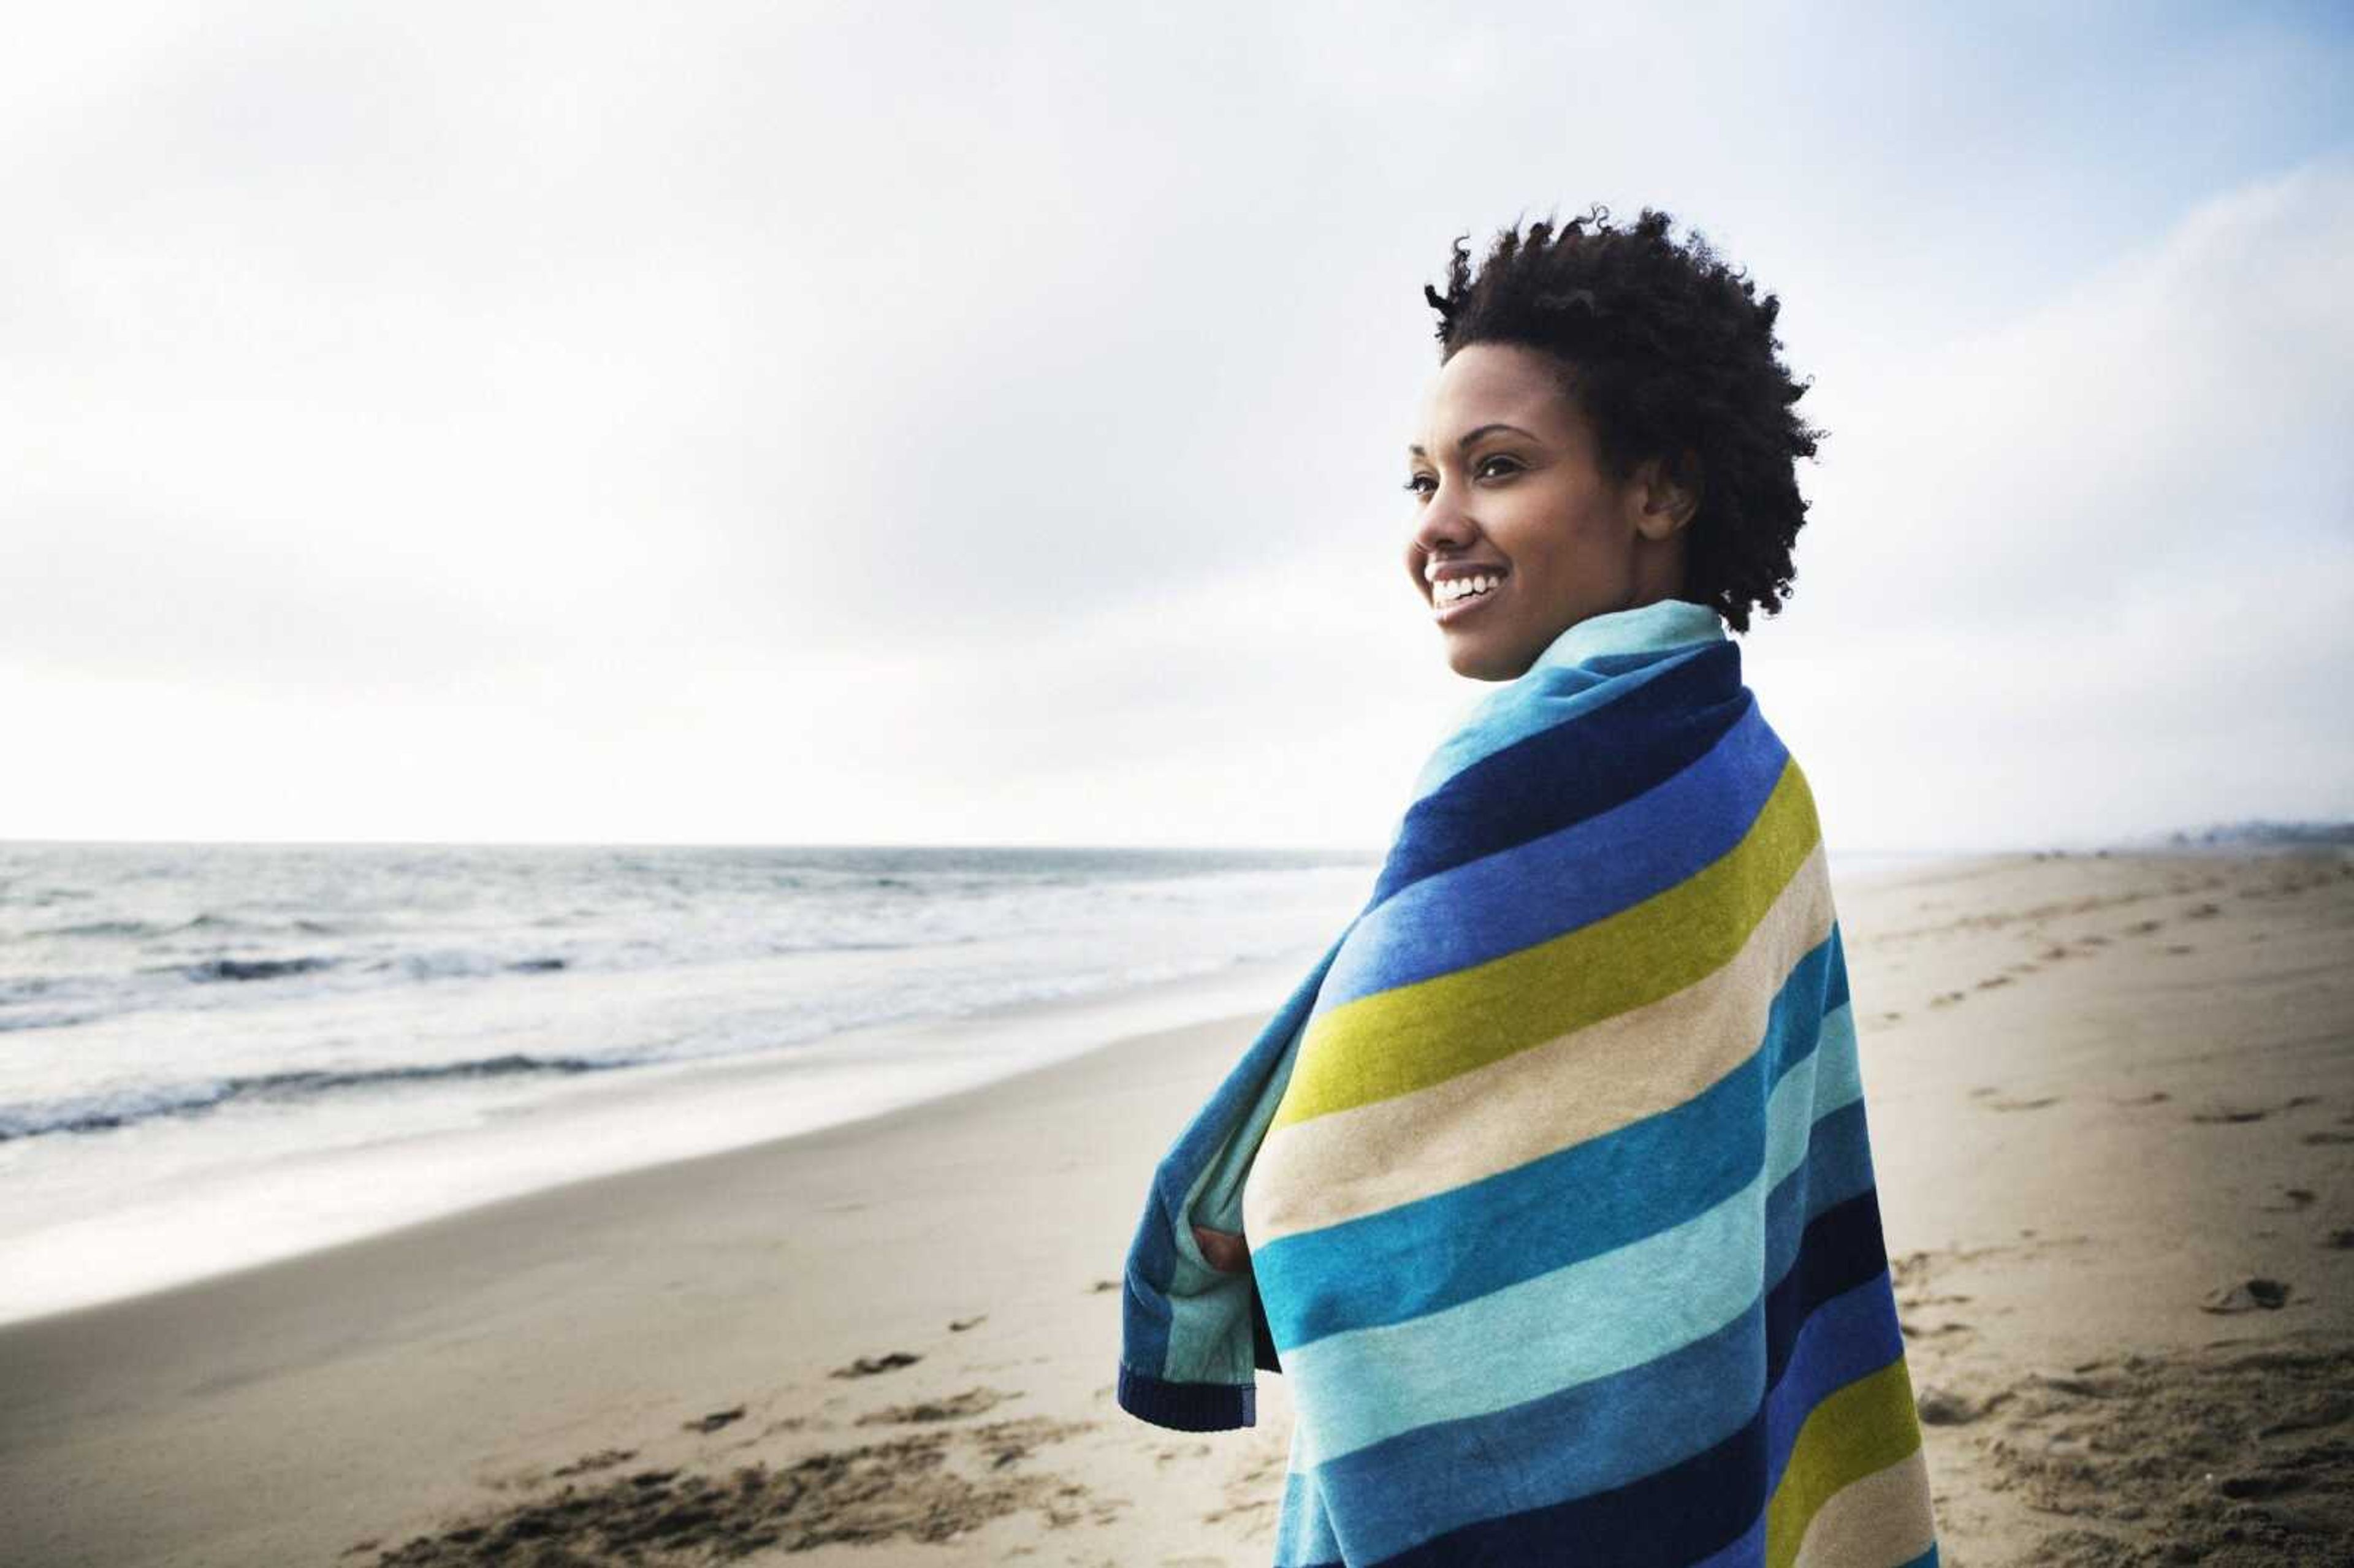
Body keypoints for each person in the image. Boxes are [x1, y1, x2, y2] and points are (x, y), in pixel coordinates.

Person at [1116, 206, 1940, 1567]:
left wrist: (1235, 1234)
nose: (1437, 528)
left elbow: (1324, 1189)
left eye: (1495, 468)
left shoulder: (1523, 777)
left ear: (1660, 492)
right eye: (1421, 481)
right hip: (1708, 1419)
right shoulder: (1751, 771)